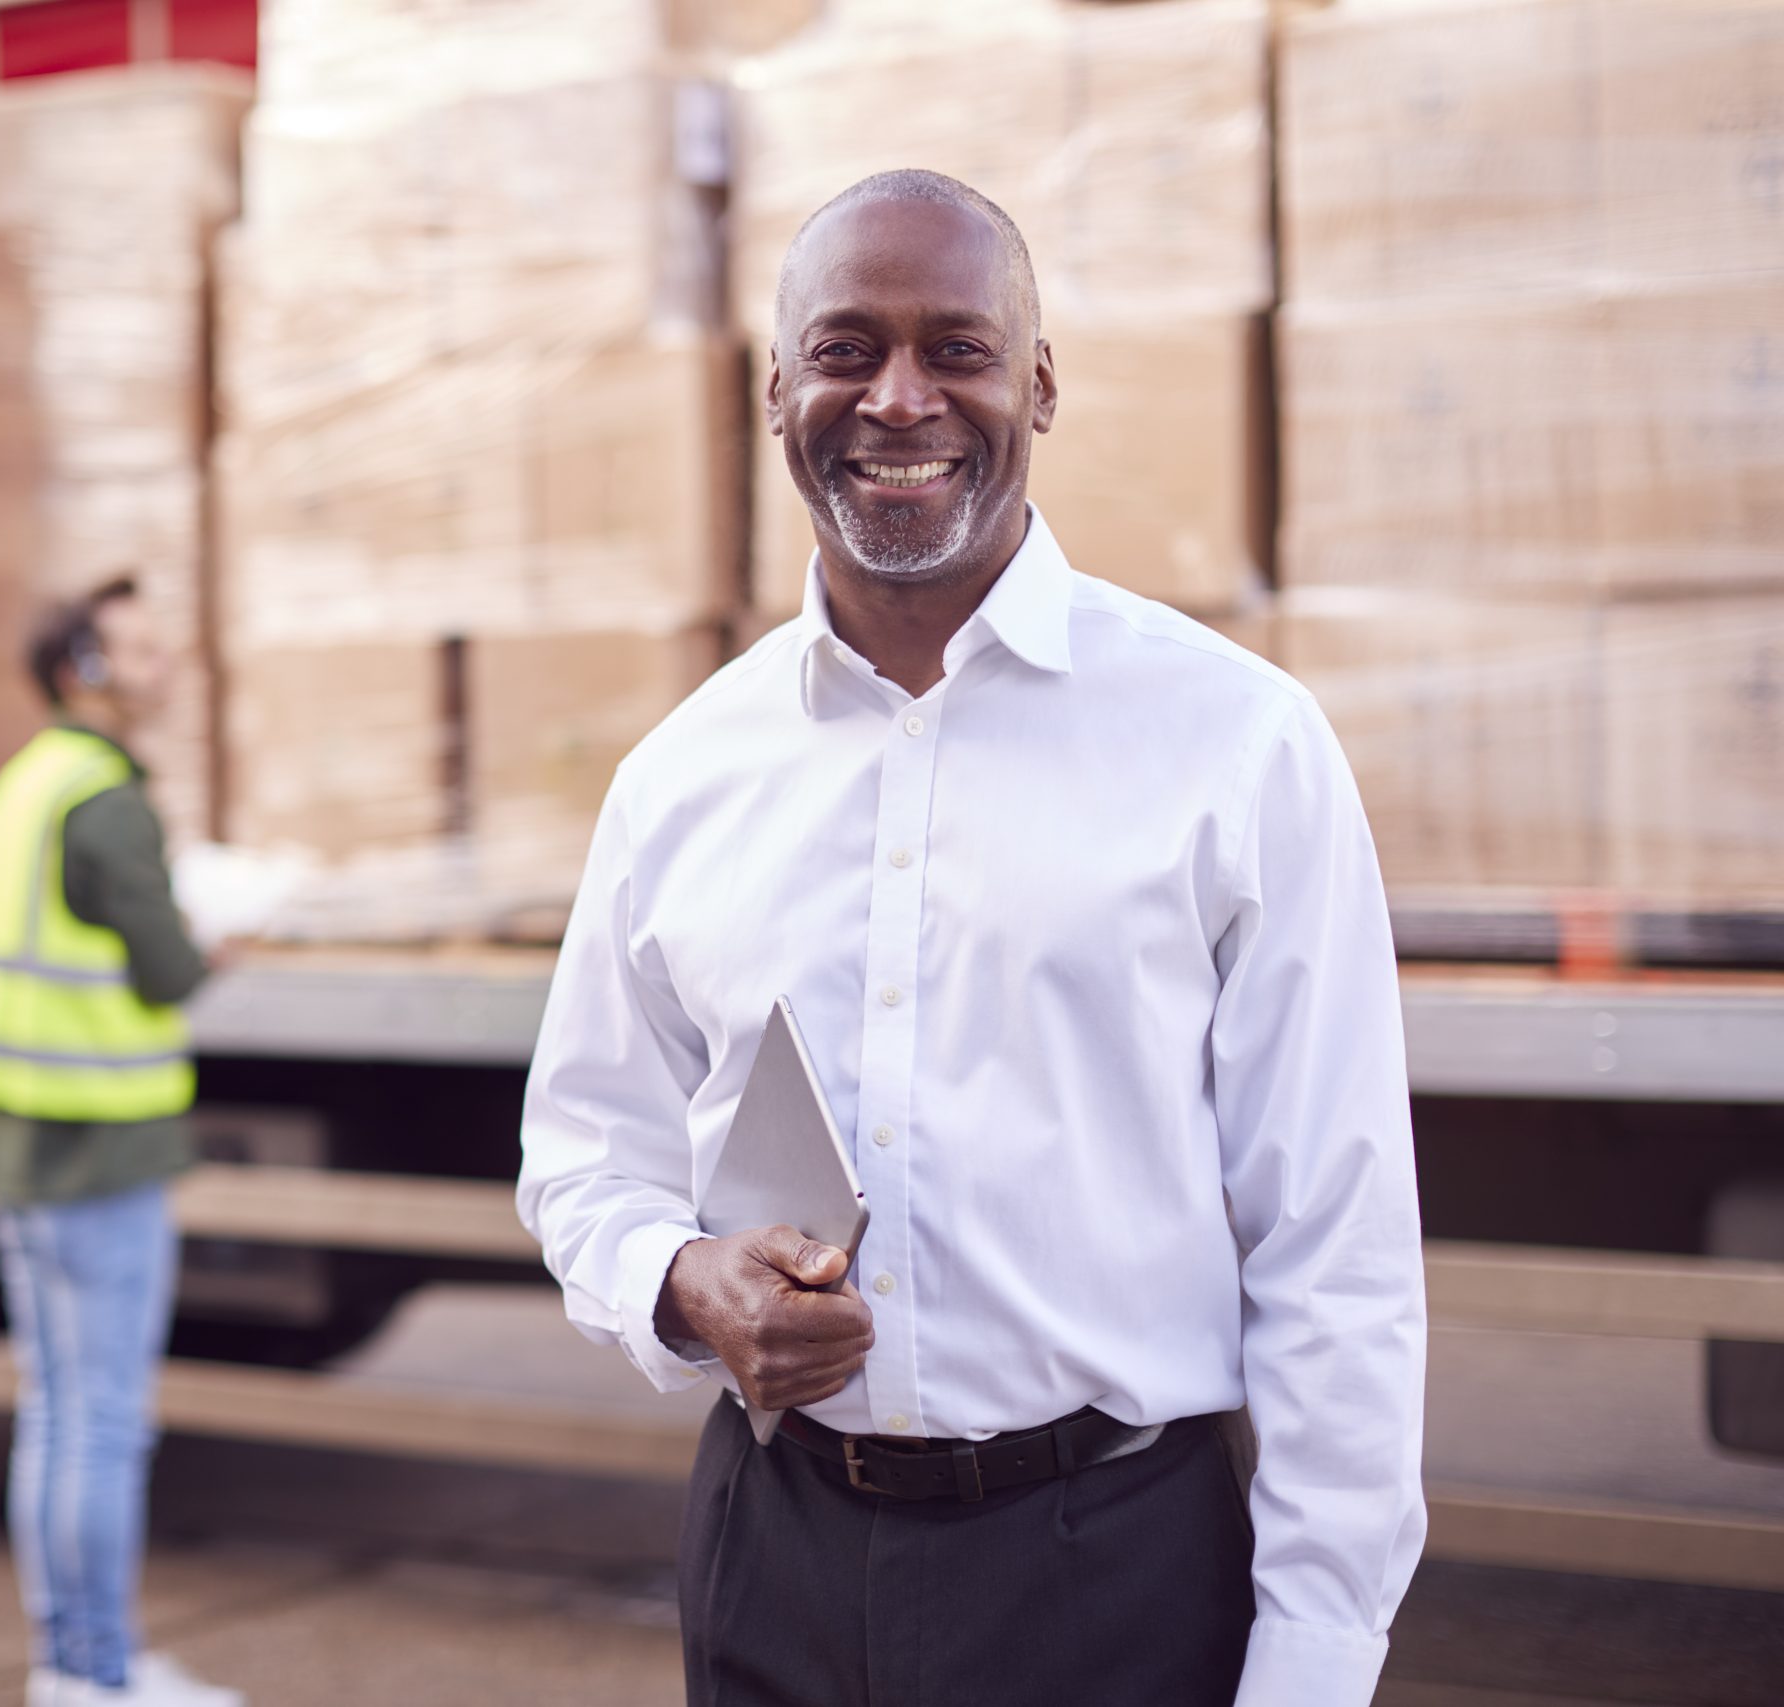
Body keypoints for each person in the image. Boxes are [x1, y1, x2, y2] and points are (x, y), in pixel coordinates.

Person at [517, 170, 1426, 1707]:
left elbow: (1333, 1247)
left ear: (1041, 384)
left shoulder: (1236, 742)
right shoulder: (681, 775)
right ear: (775, 390)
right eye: (846, 348)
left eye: (958, 348)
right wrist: (683, 1279)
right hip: (772, 1549)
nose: (897, 398)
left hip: (1112, 1569)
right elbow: (584, 1151)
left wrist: (1316, 1656)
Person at [0, 579, 243, 1707]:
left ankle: (73, 1664)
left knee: (58, 1412)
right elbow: (164, 970)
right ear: (84, 666)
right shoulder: (108, 800)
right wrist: (219, 945)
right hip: (95, 1151)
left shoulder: (28, 782)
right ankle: (98, 1677)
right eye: (141, 649)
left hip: (17, 1139)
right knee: (103, 1424)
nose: (164, 667)